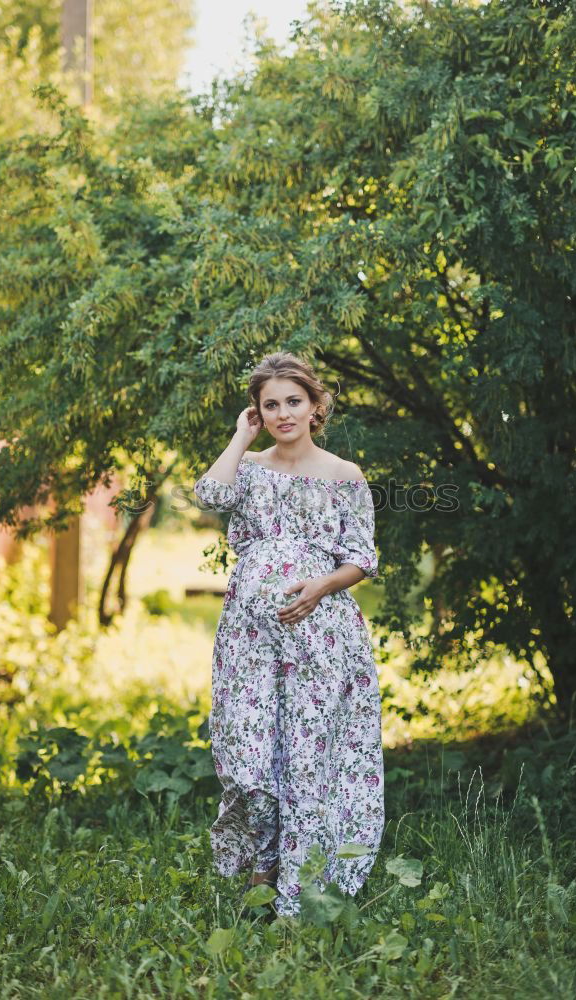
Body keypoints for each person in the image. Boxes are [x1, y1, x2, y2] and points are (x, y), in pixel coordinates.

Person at [193, 351, 384, 918]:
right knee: (251, 748)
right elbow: (209, 496)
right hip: (249, 643)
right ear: (258, 412)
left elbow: (362, 558)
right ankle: (262, 873)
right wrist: (238, 437)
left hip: (319, 639)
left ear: (315, 406)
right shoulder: (248, 469)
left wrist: (321, 585)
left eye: (292, 401)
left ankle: (299, 887)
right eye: (270, 404)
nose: (282, 413)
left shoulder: (345, 475)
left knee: (306, 752)